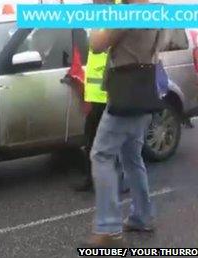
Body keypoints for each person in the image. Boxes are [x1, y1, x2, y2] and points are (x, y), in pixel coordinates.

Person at [83, 0, 168, 247]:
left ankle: (108, 228)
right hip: (145, 93)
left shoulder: (127, 13)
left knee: (100, 155)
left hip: (125, 94)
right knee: (132, 157)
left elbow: (97, 45)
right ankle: (142, 216)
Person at [74, 0, 128, 193]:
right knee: (91, 140)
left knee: (115, 142)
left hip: (112, 94)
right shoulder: (98, 18)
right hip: (97, 95)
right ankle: (92, 179)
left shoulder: (117, 13)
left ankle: (120, 181)